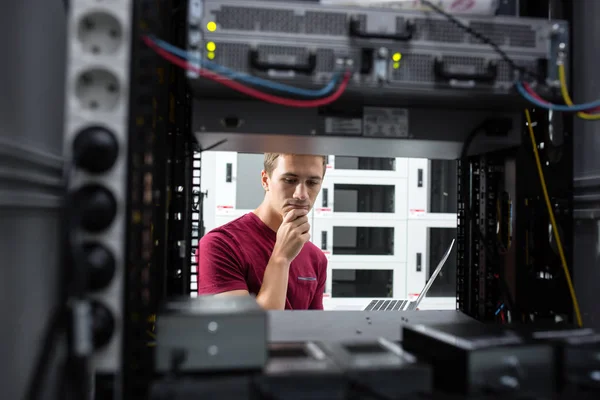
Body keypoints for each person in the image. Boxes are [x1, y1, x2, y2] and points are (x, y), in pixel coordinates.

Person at [196, 153, 328, 310]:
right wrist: (281, 258)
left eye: (312, 183)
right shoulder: (220, 245)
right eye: (290, 180)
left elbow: (314, 331)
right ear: (266, 180)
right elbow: (241, 330)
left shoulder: (316, 258)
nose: (301, 195)